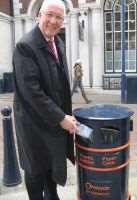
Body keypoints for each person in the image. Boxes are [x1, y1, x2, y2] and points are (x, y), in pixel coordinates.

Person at [12, 0, 78, 199]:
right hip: (33, 124)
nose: (53, 21)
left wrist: (64, 115)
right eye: (49, 15)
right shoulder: (25, 46)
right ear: (39, 15)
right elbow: (32, 92)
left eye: (59, 17)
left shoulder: (58, 43)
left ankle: (52, 195)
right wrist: (61, 118)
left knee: (52, 166)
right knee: (35, 170)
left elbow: (61, 84)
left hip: (53, 122)